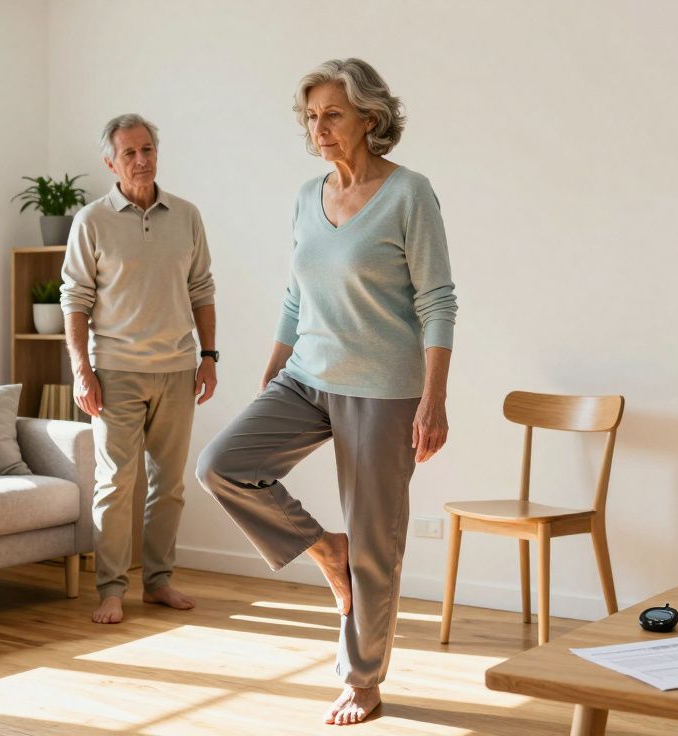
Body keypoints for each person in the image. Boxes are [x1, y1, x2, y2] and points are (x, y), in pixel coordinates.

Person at [196, 59, 457, 726]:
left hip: (384, 390)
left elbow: (437, 301)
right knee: (222, 464)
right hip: (306, 376)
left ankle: (362, 680)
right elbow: (294, 295)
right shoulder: (306, 196)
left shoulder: (409, 194)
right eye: (311, 116)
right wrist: (274, 366)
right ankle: (323, 549)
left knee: (377, 543)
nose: (320, 129)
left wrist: (434, 399)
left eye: (333, 115)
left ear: (370, 118)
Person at [61, 113, 219, 625]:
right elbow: (75, 300)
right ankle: (110, 589)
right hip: (115, 372)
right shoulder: (92, 221)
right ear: (111, 161)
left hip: (176, 369)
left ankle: (159, 582)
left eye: (147, 149)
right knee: (115, 484)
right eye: (128, 152)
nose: (141, 160)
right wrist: (82, 371)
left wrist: (209, 357)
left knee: (168, 484)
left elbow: (202, 290)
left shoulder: (187, 216)